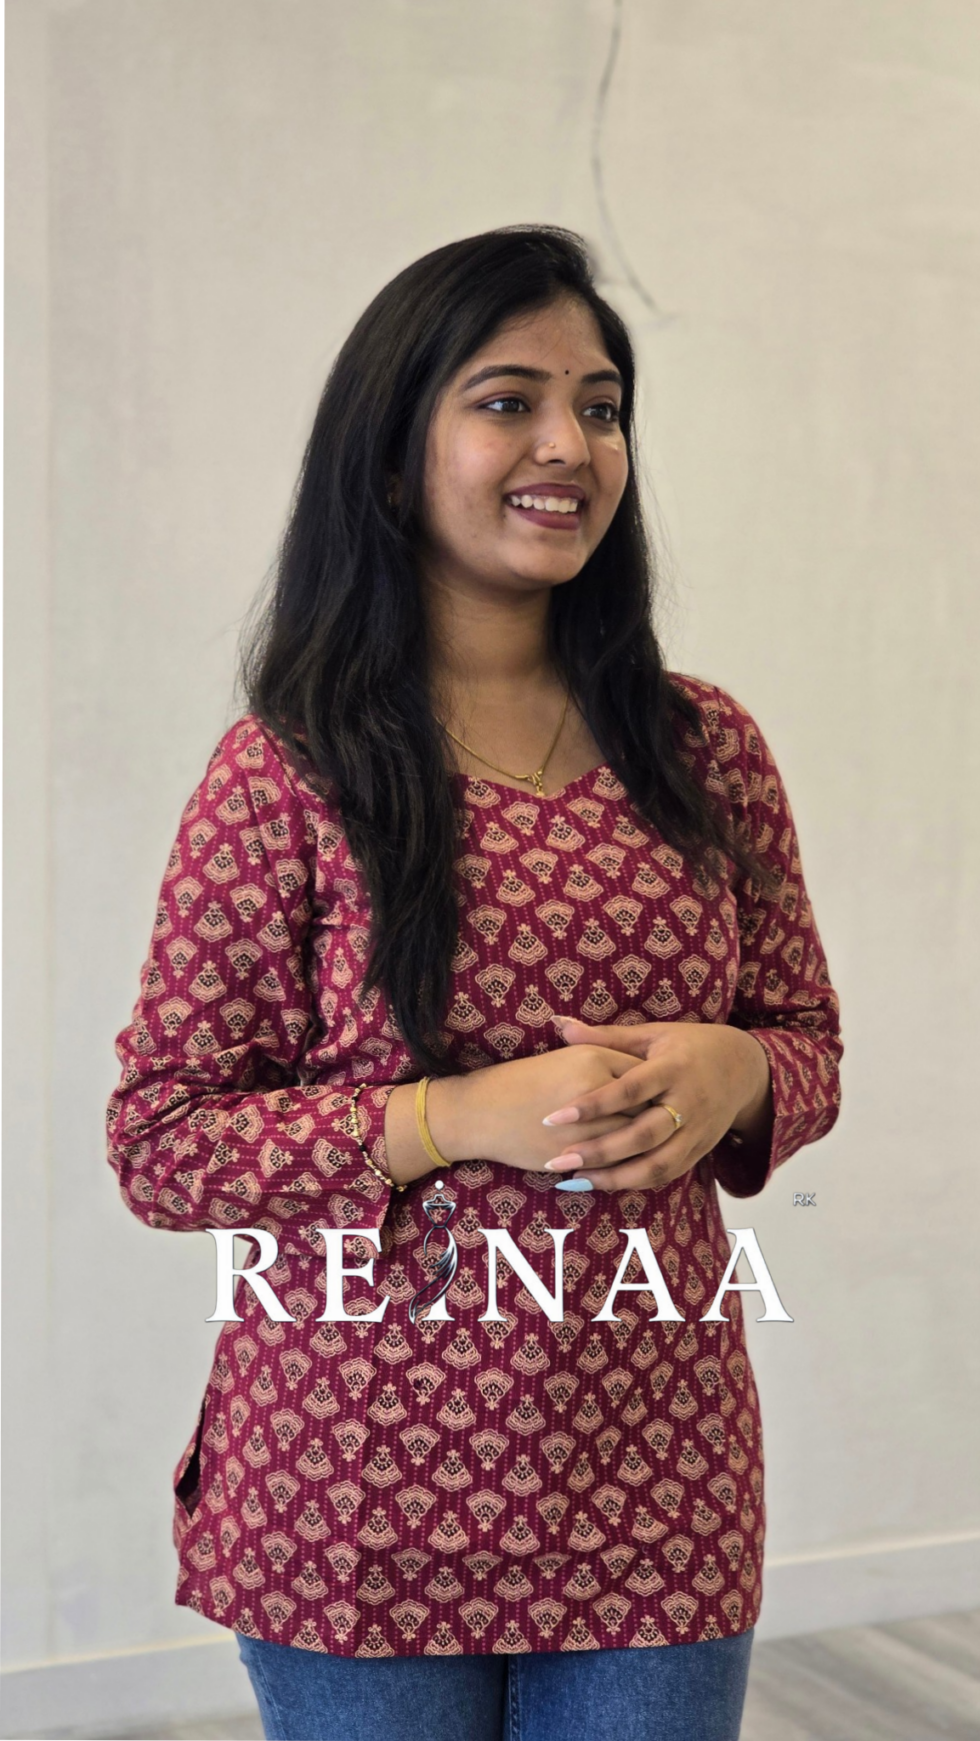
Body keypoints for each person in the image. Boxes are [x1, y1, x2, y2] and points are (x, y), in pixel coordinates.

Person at [105, 225, 843, 1741]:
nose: (570, 444)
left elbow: (806, 1039)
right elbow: (164, 1143)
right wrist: (453, 1117)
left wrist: (740, 1074)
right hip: (353, 1490)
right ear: (392, 460)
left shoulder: (706, 750)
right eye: (509, 400)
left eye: (601, 406)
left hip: (656, 1481)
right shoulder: (289, 773)